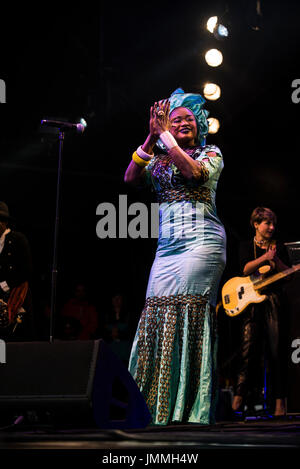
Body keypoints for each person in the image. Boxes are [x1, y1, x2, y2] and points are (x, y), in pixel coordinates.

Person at [124, 88, 226, 425]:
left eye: (186, 120)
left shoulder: (210, 153)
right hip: (167, 250)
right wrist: (152, 136)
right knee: (155, 316)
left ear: (197, 125)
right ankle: (155, 406)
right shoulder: (159, 157)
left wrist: (165, 134)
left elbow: (193, 174)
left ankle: (191, 407)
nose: (180, 123)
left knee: (190, 315)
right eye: (174, 119)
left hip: (201, 244)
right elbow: (130, 177)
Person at [231, 207, 290, 417]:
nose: (272, 228)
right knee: (248, 351)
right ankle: (238, 398)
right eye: (267, 223)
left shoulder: (279, 247)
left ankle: (279, 403)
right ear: (256, 224)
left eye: (273, 224)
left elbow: (288, 274)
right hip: (252, 303)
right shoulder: (246, 245)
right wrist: (265, 258)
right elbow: (245, 269)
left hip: (273, 301)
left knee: (277, 352)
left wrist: (277, 260)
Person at [0, 201, 34, 341]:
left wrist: (5, 284)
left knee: (15, 337)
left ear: (3, 223)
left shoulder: (18, 239)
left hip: (16, 295)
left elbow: (27, 270)